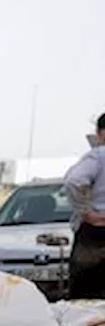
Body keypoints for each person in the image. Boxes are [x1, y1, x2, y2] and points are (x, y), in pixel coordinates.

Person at [64, 112, 105, 299]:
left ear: (100, 133)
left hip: (97, 234)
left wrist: (85, 211)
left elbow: (74, 180)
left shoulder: (99, 156)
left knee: (87, 298)